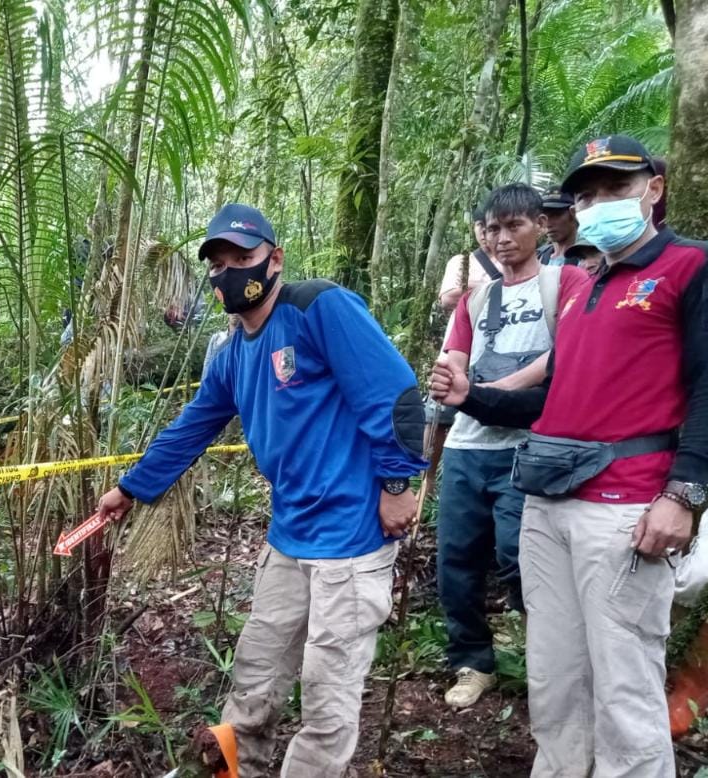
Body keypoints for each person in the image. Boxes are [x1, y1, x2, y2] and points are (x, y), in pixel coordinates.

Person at [96, 204, 427, 777]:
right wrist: (131, 489)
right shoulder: (233, 354)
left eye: (242, 259)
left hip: (349, 538)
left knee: (327, 698)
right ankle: (233, 770)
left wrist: (398, 483)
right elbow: (194, 425)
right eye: (218, 263)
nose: (229, 272)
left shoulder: (318, 309)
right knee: (254, 676)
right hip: (289, 536)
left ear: (274, 259)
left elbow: (392, 394)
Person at [430, 134, 708, 777]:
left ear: (654, 190)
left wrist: (684, 494)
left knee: (625, 682)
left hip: (627, 504)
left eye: (617, 188)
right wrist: (474, 398)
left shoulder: (690, 267)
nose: (600, 203)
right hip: (548, 499)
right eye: (587, 195)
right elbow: (554, 401)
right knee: (553, 676)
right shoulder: (584, 289)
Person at [434, 184, 590, 709]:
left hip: (531, 447)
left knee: (520, 557)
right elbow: (456, 353)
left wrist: (487, 393)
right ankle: (472, 661)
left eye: (514, 226)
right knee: (455, 559)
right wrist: (453, 380)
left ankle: (548, 658)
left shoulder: (564, 281)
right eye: (492, 229)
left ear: (540, 225)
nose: (502, 239)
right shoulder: (477, 298)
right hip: (466, 446)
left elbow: (565, 353)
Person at [438, 206, 504, 312]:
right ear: (474, 228)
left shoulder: (513, 260)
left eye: (490, 225)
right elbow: (448, 299)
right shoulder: (459, 261)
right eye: (480, 225)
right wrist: (501, 287)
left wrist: (469, 287)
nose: (484, 230)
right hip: (467, 325)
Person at [539, 188, 578, 266]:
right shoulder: (539, 257)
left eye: (556, 215)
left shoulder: (590, 258)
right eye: (544, 217)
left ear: (573, 213)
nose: (548, 224)